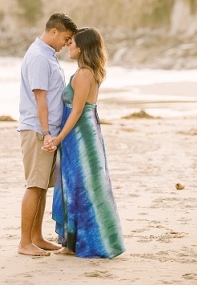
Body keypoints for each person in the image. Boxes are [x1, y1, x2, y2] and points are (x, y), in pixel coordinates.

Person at [42, 27, 126, 258]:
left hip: (79, 135)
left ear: (83, 47)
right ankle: (74, 243)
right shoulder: (90, 72)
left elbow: (77, 111)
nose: (68, 45)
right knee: (82, 185)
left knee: (79, 186)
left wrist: (59, 137)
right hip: (85, 132)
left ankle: (78, 244)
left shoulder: (83, 74)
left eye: (72, 43)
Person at [17, 13, 78, 257]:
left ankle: (37, 237)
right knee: (34, 185)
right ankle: (24, 242)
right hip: (37, 129)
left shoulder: (47, 55)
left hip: (46, 129)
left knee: (42, 186)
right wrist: (46, 133)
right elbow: (40, 99)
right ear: (54, 32)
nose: (66, 43)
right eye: (65, 38)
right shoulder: (39, 58)